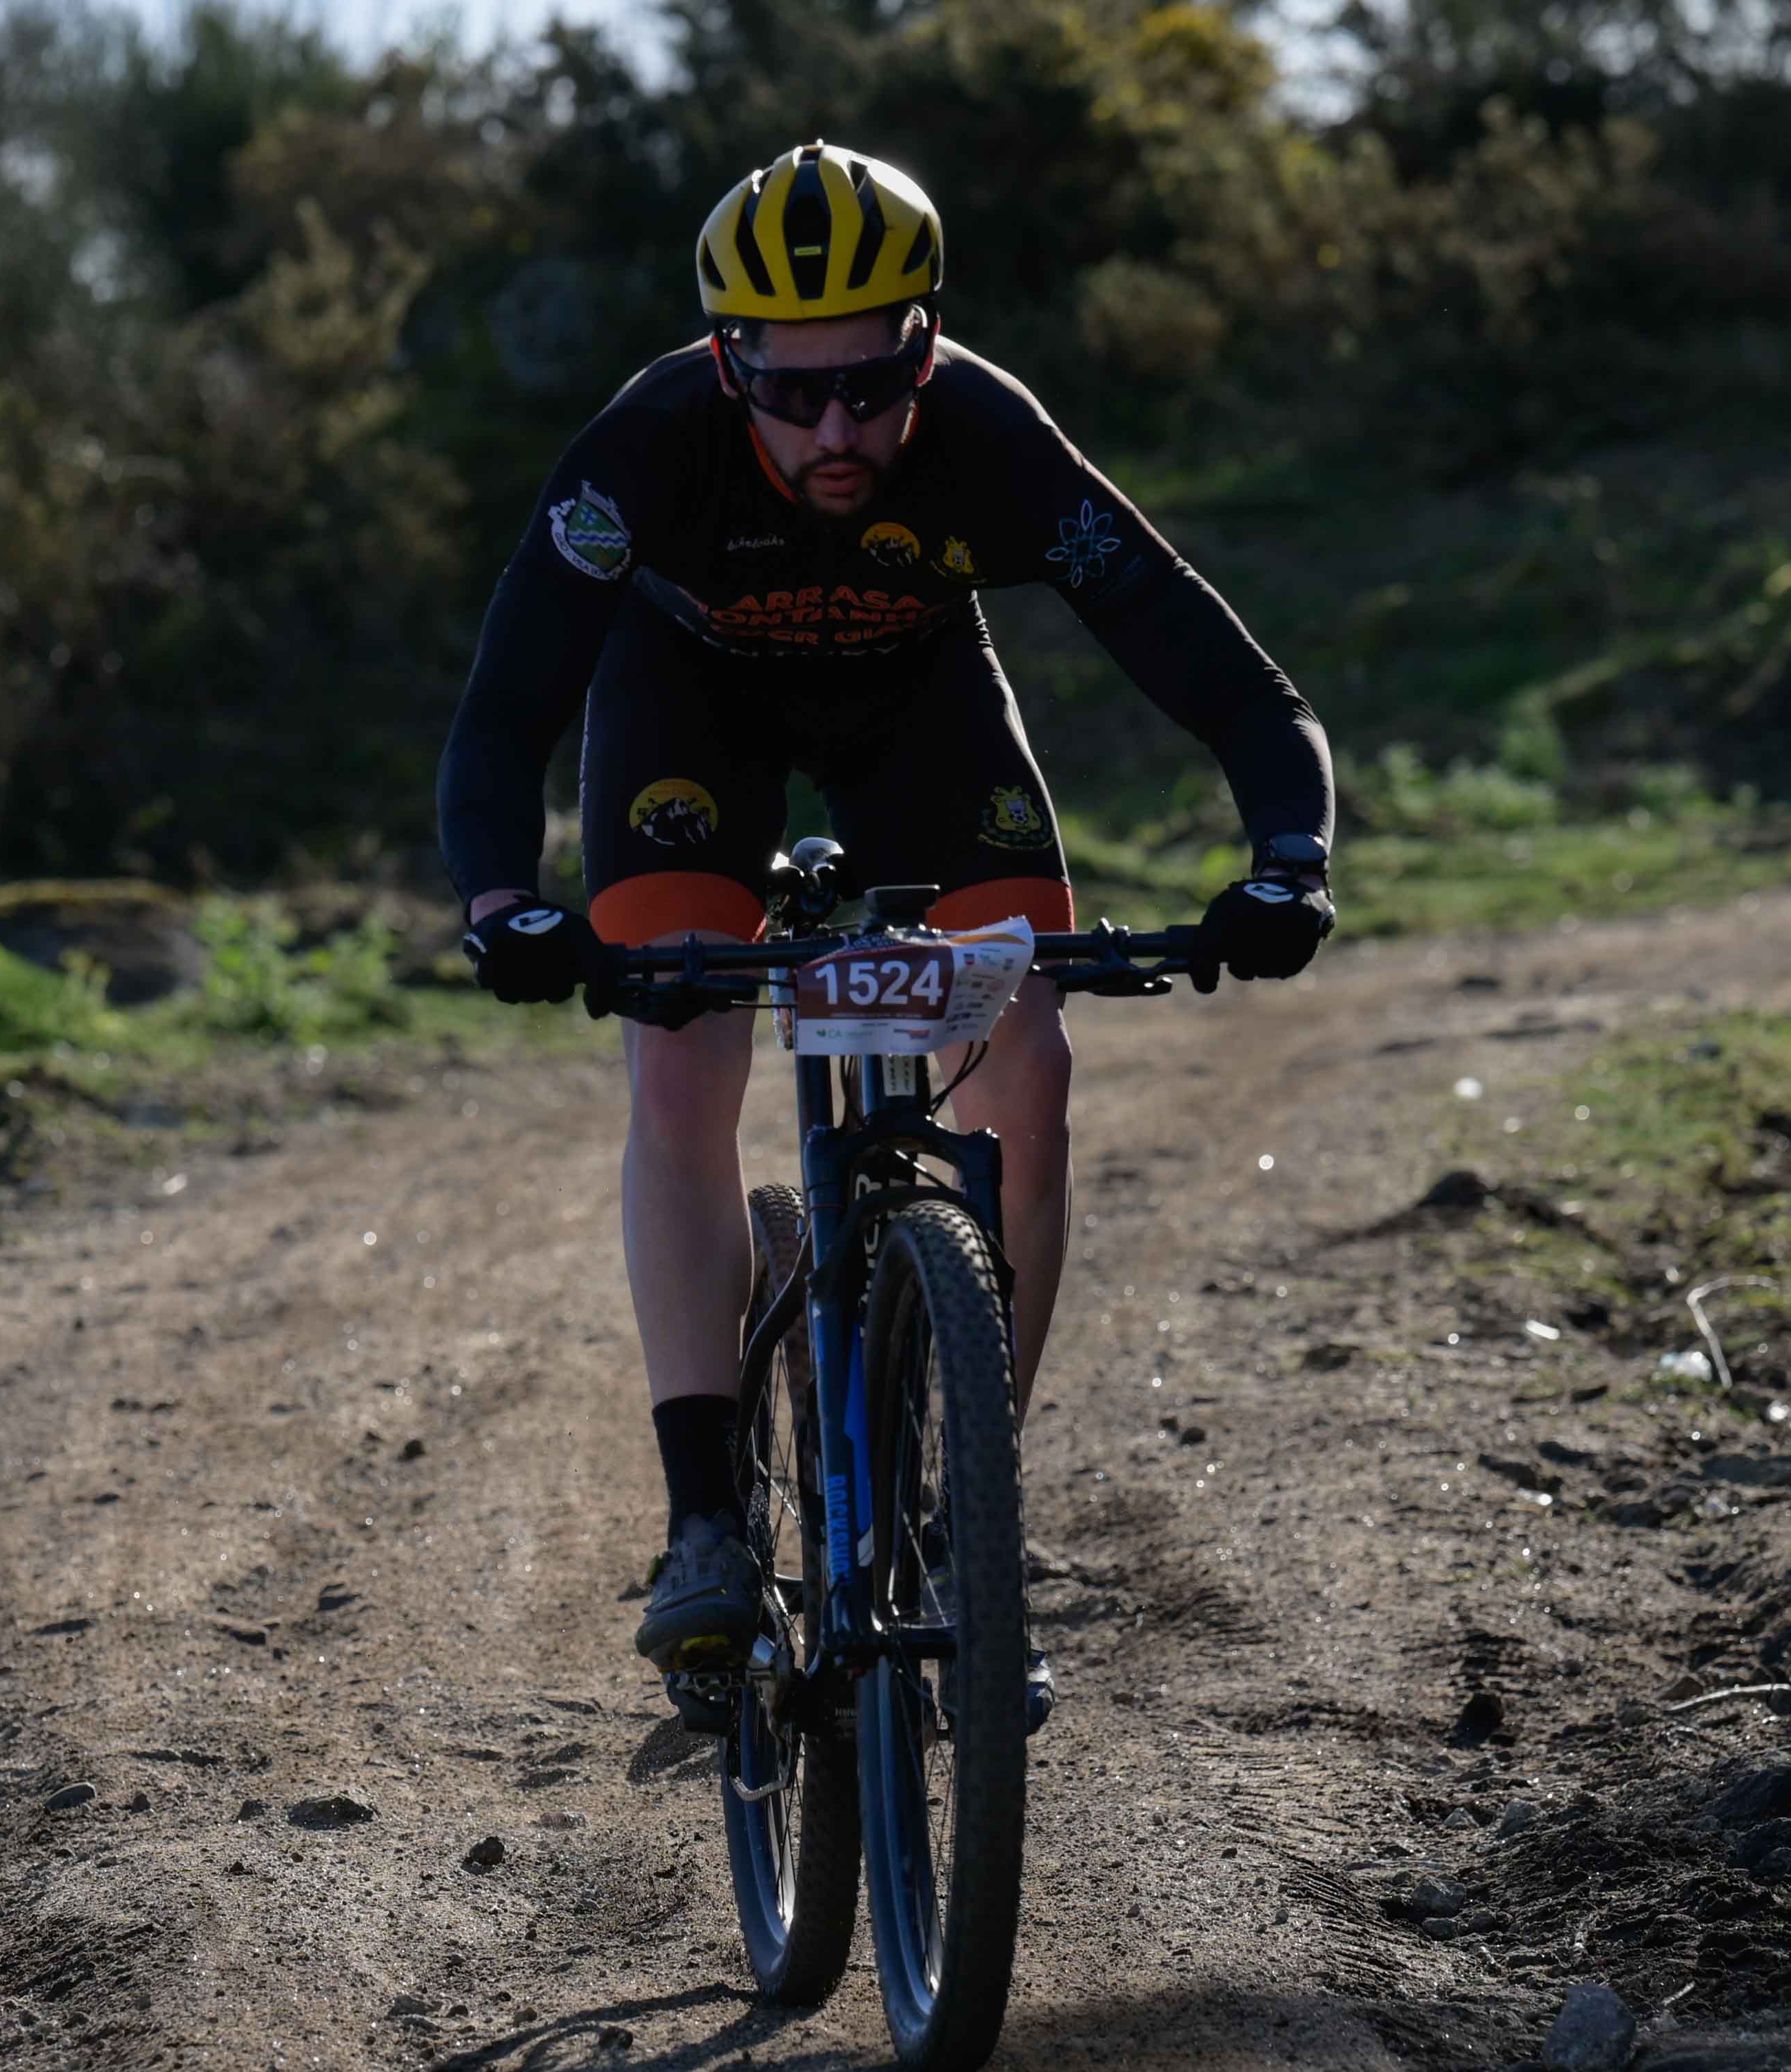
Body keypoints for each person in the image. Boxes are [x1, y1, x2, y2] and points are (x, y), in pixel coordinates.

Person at [435, 140, 1339, 1707]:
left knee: (1030, 1067)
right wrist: (507, 904)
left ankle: (968, 1515)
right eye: (794, 395)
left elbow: (1229, 679)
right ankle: (705, 1523)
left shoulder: (990, 437)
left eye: (871, 385)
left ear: (925, 346)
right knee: (679, 1058)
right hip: (687, 715)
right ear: (730, 361)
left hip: (919, 708)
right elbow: (507, 711)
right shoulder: (645, 448)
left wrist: (1289, 860)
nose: (838, 431)